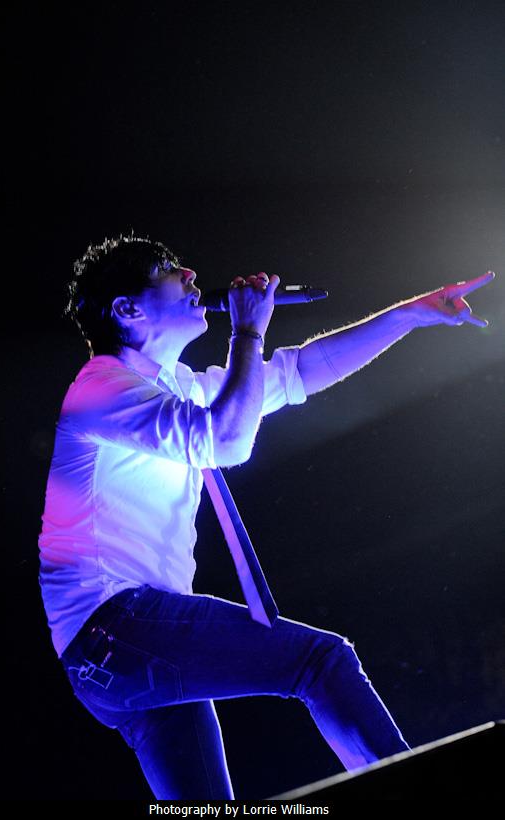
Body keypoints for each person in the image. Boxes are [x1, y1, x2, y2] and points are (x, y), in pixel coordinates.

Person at [38, 234, 494, 799]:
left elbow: (299, 372)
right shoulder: (101, 389)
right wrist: (247, 333)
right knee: (321, 662)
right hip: (115, 628)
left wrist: (409, 315)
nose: (190, 273)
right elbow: (227, 440)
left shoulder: (178, 389)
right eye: (167, 269)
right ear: (127, 309)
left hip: (120, 651)